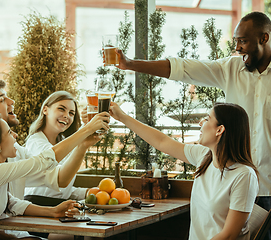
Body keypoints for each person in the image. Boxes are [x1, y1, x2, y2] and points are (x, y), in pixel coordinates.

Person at [111, 11, 271, 239]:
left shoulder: (238, 173)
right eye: (235, 41)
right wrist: (130, 65)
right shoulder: (205, 158)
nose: (237, 48)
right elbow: (184, 69)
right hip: (233, 179)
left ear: (264, 38)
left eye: (243, 41)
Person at [0, 79, 109, 239]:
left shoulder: (12, 154)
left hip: (9, 231)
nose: (12, 101)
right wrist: (86, 130)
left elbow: (56, 179)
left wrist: (83, 145)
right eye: (2, 99)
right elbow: (44, 160)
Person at [108, 102, 258, 240]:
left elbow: (229, 235)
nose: (201, 123)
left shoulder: (244, 175)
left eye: (207, 119)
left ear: (220, 130)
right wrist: (122, 117)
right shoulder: (204, 156)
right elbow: (161, 142)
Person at [24, 91, 89, 204]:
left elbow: (60, 191)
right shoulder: (36, 142)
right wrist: (86, 130)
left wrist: (87, 192)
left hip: (59, 205)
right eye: (61, 109)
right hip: (36, 205)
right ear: (45, 110)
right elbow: (58, 179)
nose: (66, 116)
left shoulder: (64, 142)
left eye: (71, 113)